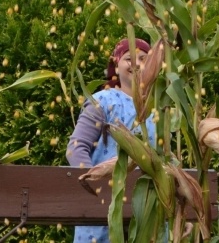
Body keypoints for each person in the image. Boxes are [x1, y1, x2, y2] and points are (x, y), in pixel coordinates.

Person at [66, 37, 158, 243]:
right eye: (129, 58)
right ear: (116, 64)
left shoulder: (158, 111)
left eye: (143, 58)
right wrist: (95, 189)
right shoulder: (103, 101)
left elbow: (165, 162)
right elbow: (76, 148)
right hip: (104, 214)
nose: (136, 63)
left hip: (150, 214)